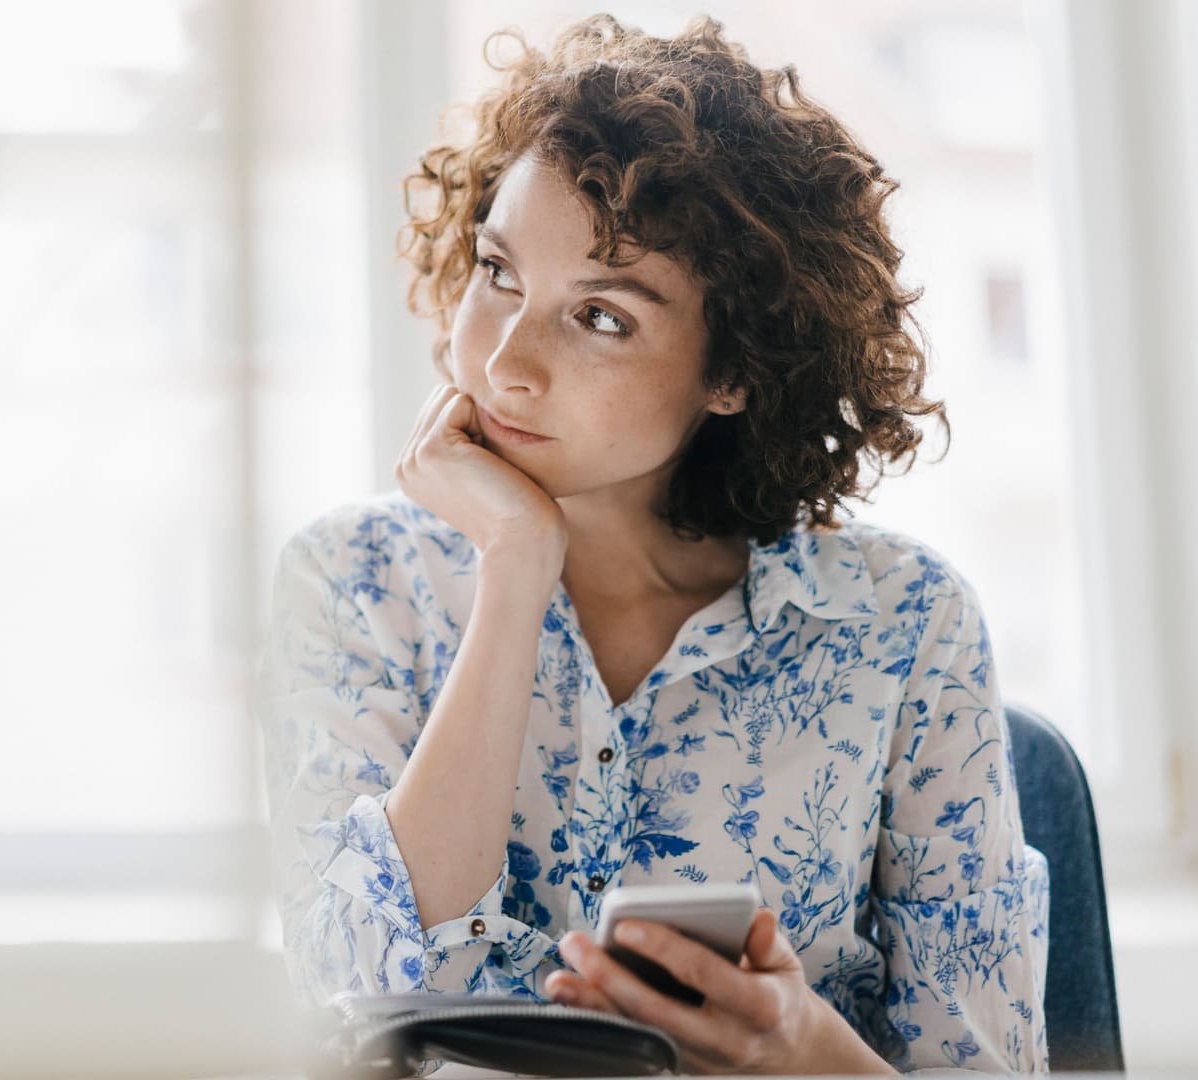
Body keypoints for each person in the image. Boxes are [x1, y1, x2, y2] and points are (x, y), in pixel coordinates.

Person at [255, 12, 1048, 1075]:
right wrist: (514, 568)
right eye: (498, 272)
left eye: (603, 318)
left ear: (734, 372)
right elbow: (367, 1003)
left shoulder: (907, 627)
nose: (505, 363)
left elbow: (991, 1063)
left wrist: (807, 1050)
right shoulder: (350, 586)